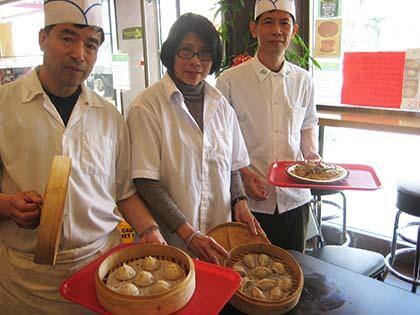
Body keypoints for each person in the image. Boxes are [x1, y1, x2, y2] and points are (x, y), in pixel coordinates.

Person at [0, 1, 165, 313]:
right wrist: (8, 205)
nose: (79, 54)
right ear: (42, 38)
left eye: (91, 44)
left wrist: (149, 230)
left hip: (103, 271)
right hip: (26, 282)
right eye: (67, 38)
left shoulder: (110, 116)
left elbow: (123, 193)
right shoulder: (5, 105)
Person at [127, 13, 264, 265]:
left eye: (204, 53)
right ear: (171, 53)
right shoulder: (146, 106)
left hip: (217, 239)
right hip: (169, 243)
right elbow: (146, 182)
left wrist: (240, 202)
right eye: (186, 52)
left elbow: (231, 167)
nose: (196, 62)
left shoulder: (221, 106)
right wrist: (188, 234)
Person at [216, 0, 320, 253]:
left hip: (295, 199)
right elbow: (220, 141)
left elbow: (307, 126)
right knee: (251, 273)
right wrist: (242, 175)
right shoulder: (229, 81)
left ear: (293, 30)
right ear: (254, 29)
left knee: (295, 269)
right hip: (251, 202)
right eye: (268, 22)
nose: (276, 30)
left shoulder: (304, 80)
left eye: (284, 23)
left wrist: (312, 156)